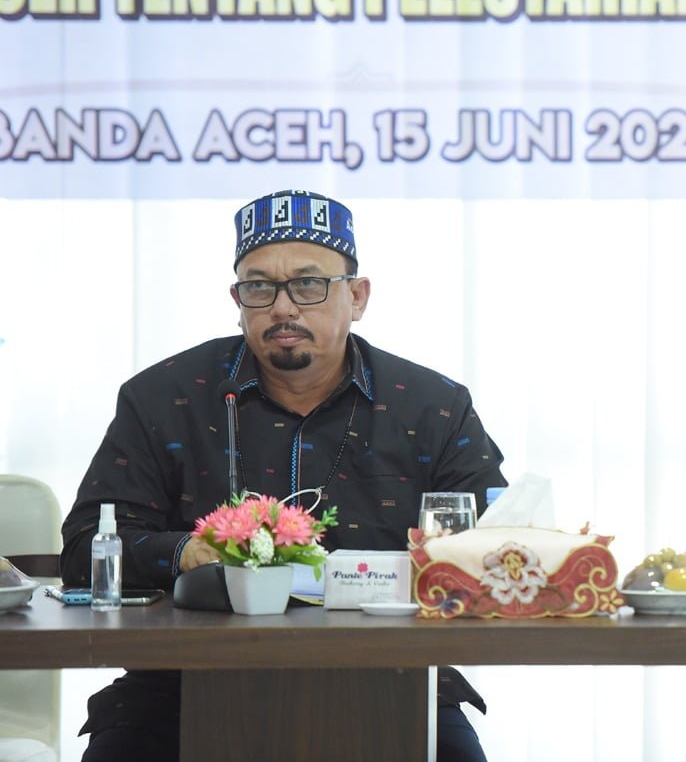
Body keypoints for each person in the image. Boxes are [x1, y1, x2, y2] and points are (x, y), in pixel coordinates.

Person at [60, 189, 506, 761]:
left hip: (394, 679)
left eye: (309, 283)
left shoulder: (433, 407)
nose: (283, 307)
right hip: (182, 683)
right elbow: (85, 550)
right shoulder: (165, 397)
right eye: (259, 287)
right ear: (238, 300)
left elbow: (494, 549)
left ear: (357, 296)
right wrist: (186, 553)